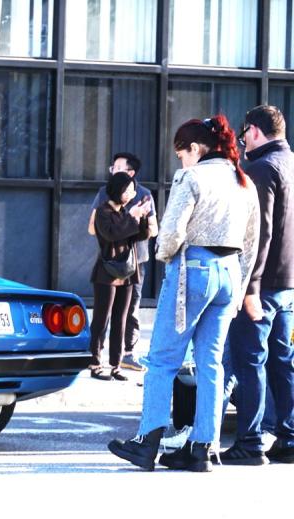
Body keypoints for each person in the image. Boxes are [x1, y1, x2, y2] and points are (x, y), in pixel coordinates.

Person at [108, 115, 260, 472]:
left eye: (182, 153)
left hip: (192, 268)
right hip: (230, 272)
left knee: (162, 358)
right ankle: (201, 448)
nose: (181, 161)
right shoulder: (244, 182)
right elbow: (252, 242)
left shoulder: (191, 176)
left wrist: (164, 252)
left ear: (195, 149)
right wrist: (240, 288)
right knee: (211, 362)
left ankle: (147, 442)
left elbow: (171, 232)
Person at [215, 104, 294, 465]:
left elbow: (258, 234)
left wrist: (250, 290)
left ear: (257, 132)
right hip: (288, 282)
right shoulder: (290, 163)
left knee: (251, 362)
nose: (242, 139)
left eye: (245, 132)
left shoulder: (261, 168)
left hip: (262, 286)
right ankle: (288, 437)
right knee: (281, 361)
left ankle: (249, 442)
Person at [88, 153, 159, 371]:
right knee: (103, 315)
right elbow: (100, 230)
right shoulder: (104, 203)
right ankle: (95, 359)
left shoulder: (144, 195)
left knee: (128, 313)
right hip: (109, 266)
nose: (112, 170)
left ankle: (121, 358)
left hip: (132, 265)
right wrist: (131, 217)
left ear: (130, 173)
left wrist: (142, 217)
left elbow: (148, 232)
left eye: (118, 167)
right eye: (113, 167)